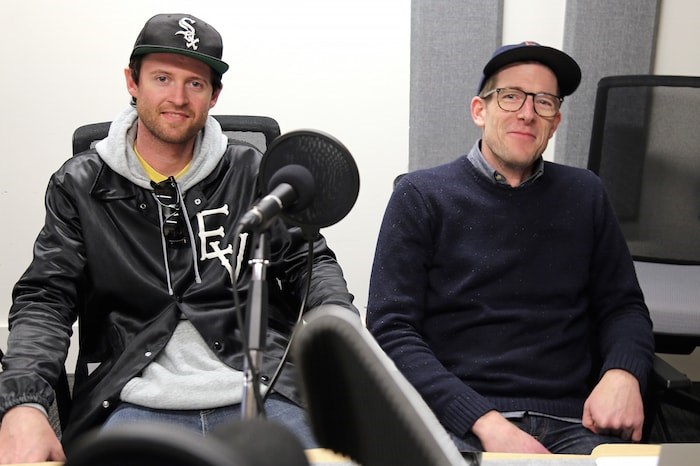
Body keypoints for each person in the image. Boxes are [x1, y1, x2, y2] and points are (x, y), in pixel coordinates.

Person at [0, 13, 358, 463]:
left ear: (214, 96)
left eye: (195, 83)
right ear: (132, 82)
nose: (177, 97)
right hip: (133, 397)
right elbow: (45, 299)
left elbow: (311, 264)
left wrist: (342, 328)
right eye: (162, 78)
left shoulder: (253, 173)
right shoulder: (80, 185)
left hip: (262, 388)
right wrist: (24, 403)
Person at [366, 42, 654, 455]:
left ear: (555, 122)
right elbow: (391, 328)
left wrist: (624, 373)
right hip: (459, 421)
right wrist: (484, 422)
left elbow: (623, 306)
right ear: (479, 110)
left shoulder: (586, 194)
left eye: (544, 102)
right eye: (511, 96)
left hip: (575, 422)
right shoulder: (421, 196)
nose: (527, 112)